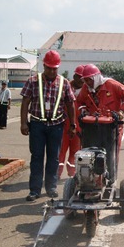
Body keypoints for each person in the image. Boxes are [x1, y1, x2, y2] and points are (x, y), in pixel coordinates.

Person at [20, 50, 77, 201]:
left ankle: (51, 187)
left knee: (53, 158)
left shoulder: (64, 82)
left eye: (55, 68)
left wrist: (73, 124)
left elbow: (70, 104)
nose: (52, 71)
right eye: (49, 68)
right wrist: (23, 123)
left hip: (57, 125)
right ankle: (34, 190)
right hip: (37, 124)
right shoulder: (32, 81)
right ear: (43, 66)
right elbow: (25, 102)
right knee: (37, 157)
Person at [75, 63, 124, 151]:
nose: (88, 83)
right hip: (93, 127)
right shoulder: (86, 88)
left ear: (96, 77)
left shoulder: (111, 84)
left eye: (90, 80)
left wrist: (122, 111)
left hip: (112, 127)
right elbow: (79, 101)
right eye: (85, 80)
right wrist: (83, 111)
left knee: (111, 155)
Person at [58, 65, 85, 178]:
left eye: (84, 78)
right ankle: (56, 175)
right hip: (64, 126)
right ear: (75, 76)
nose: (82, 80)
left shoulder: (87, 90)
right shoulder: (65, 87)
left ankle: (72, 175)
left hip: (79, 128)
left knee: (75, 152)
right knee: (60, 152)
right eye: (80, 77)